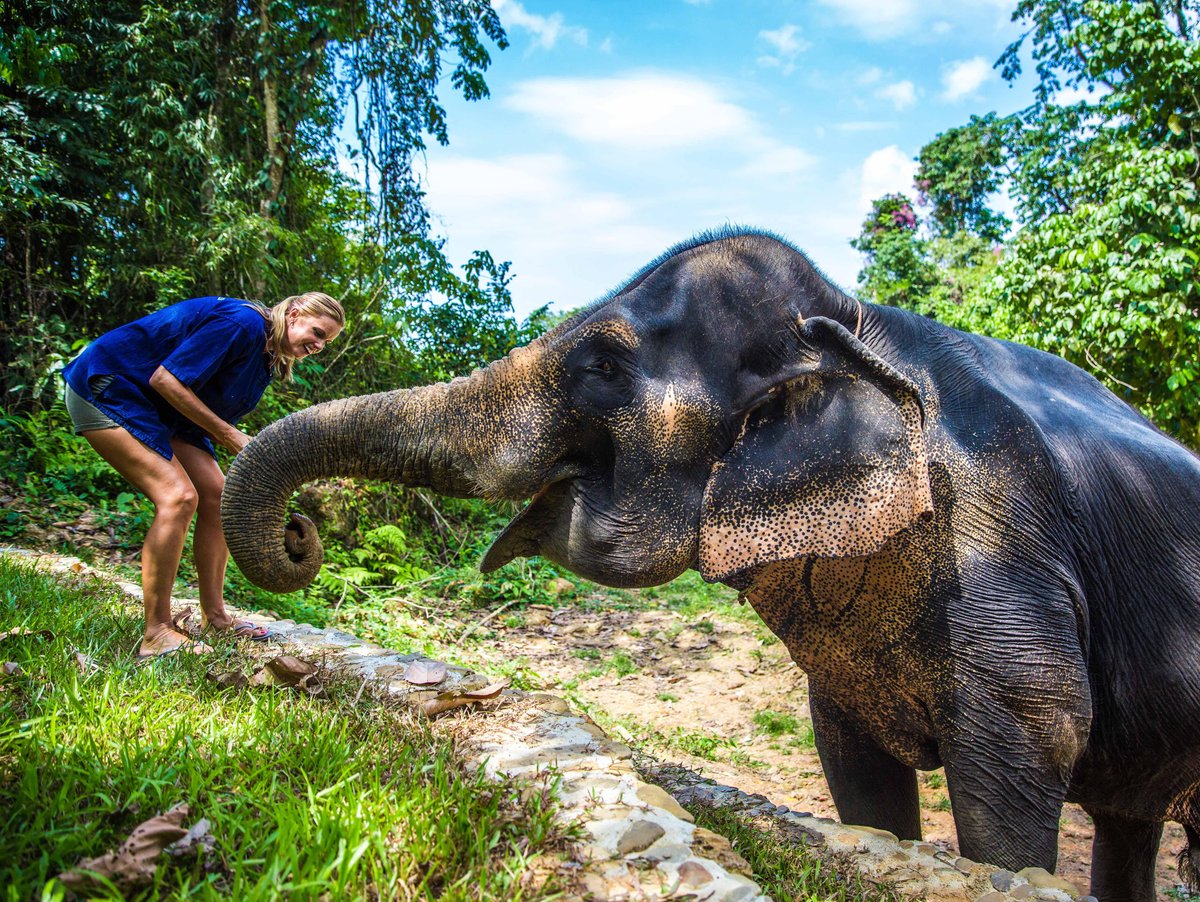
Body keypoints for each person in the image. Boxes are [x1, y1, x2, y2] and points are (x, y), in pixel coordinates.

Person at [61, 292, 345, 659]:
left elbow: (202, 409)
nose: (320, 345)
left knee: (218, 498)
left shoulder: (266, 357)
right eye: (318, 332)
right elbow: (165, 380)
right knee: (178, 497)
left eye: (327, 341)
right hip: (108, 389)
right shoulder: (242, 324)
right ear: (293, 314)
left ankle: (215, 618)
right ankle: (157, 632)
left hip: (161, 414)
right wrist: (230, 436)